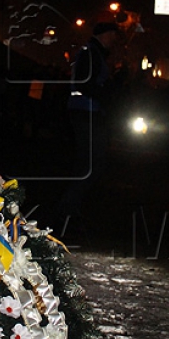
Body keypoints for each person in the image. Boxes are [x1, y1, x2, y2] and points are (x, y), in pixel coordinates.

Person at [56, 21, 122, 235]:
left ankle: (70, 209)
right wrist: (106, 93)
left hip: (85, 112)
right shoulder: (92, 54)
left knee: (87, 164)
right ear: (105, 34)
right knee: (92, 164)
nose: (115, 39)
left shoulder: (93, 53)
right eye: (113, 34)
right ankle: (67, 209)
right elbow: (87, 84)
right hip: (87, 113)